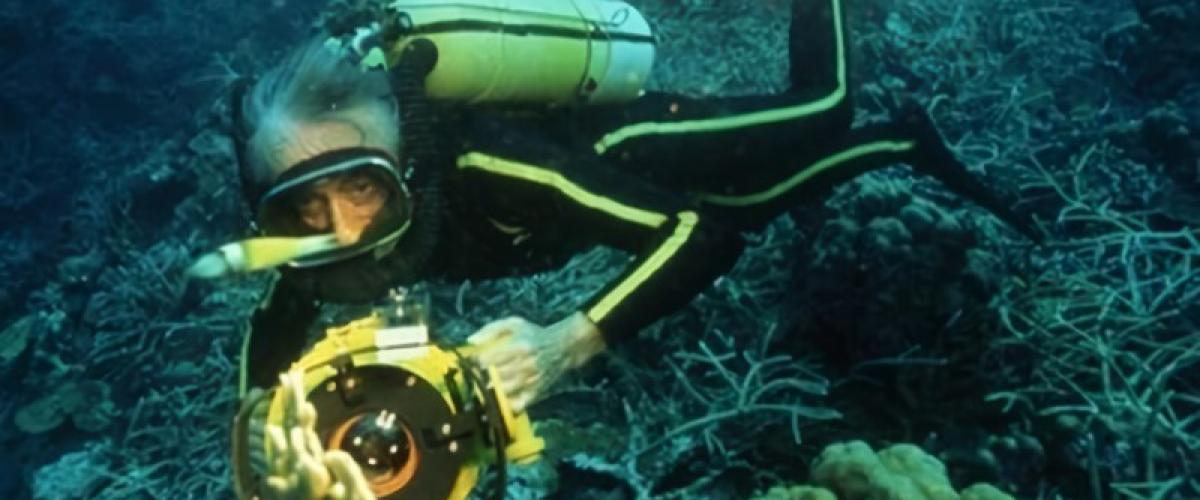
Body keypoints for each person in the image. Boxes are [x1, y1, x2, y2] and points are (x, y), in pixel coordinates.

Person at [230, 0, 1038, 417]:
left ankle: (884, 127)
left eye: (363, 185)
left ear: (400, 159)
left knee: (820, 107)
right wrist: (262, 422)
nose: (341, 226)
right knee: (755, 202)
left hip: (624, 145)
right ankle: (904, 143)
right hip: (575, 214)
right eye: (303, 205)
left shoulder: (489, 164)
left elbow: (696, 237)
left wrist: (566, 344)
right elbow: (273, 328)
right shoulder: (316, 249)